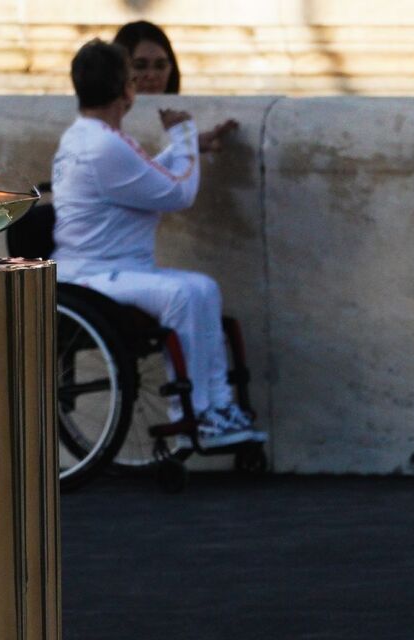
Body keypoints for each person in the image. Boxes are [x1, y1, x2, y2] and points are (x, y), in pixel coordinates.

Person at [50, 40, 263, 448]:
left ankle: (217, 407)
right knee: (183, 295)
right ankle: (193, 415)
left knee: (203, 287)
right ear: (127, 90)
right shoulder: (102, 145)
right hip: (94, 274)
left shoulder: (91, 138)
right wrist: (183, 136)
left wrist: (189, 148)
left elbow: (143, 175)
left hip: (112, 268)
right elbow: (178, 194)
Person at [113, 20, 234, 153]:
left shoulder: (188, 120)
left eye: (160, 66)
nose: (152, 75)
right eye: (140, 66)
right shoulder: (104, 124)